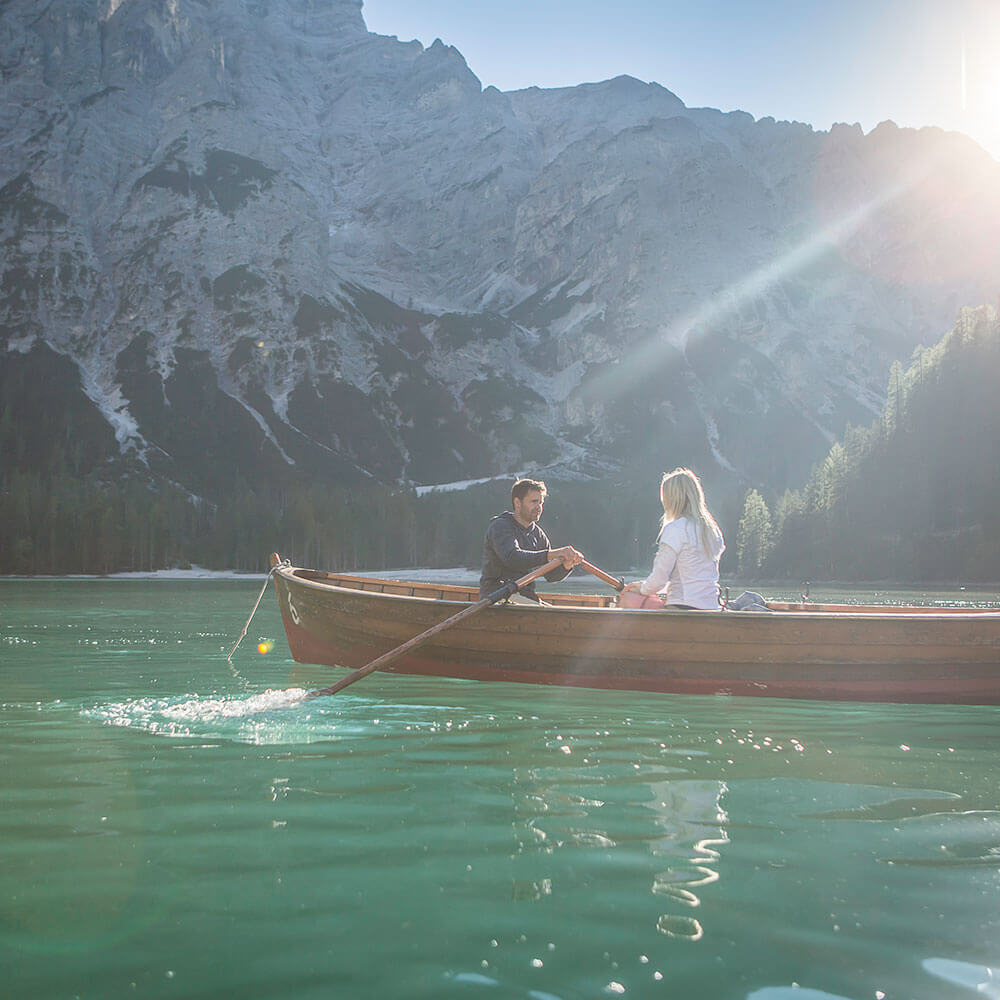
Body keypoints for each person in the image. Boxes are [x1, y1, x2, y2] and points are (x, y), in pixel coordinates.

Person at [620, 468, 725, 611]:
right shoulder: (713, 531)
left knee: (628, 598)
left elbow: (659, 580)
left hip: (683, 608)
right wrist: (644, 586)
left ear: (671, 499)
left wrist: (640, 589)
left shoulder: (675, 529)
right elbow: (695, 579)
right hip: (713, 607)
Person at [479, 478, 584, 603]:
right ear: (517, 503)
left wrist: (567, 565)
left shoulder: (537, 534)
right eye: (534, 502)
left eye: (541, 502)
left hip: (524, 596)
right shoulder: (500, 526)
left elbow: (551, 576)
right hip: (497, 596)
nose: (539, 507)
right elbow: (513, 558)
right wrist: (555, 554)